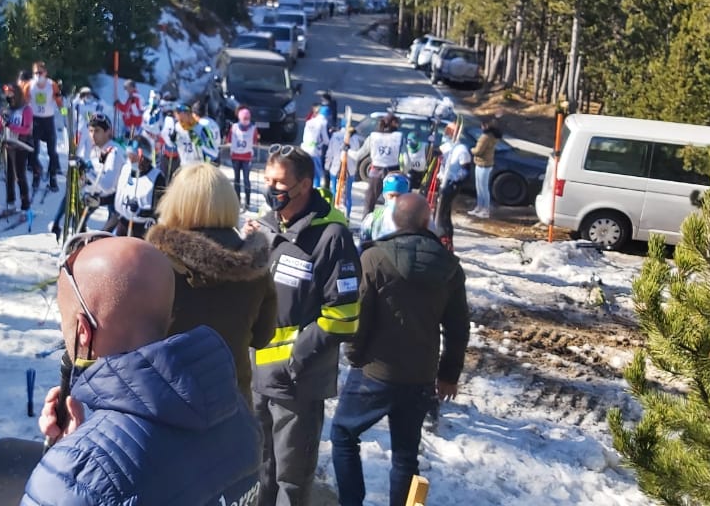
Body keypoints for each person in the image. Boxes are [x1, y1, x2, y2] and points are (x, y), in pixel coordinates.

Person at [21, 236, 261, 505]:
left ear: (83, 331)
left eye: (63, 320)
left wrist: (70, 465)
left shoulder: (78, 476)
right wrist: (78, 443)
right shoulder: (235, 412)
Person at [331, 193, 469, 506]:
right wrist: (449, 375)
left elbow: (358, 317)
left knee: (342, 434)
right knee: (406, 456)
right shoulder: (450, 267)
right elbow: (458, 328)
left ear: (393, 221)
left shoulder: (373, 258)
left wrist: (354, 356)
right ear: (427, 221)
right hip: (420, 376)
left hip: (374, 372)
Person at [244, 145, 361, 506]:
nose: (271, 189)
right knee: (257, 471)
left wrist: (294, 359)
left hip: (297, 384)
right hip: (256, 378)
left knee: (291, 481)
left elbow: (344, 314)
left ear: (305, 185)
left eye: (279, 183)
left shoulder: (332, 237)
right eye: (267, 180)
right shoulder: (265, 225)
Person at [145, 163, 278, 405]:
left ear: (175, 202)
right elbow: (262, 337)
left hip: (167, 403)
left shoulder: (154, 264)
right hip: (232, 404)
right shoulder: (256, 269)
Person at [113, 135, 168, 238]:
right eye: (129, 156)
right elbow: (117, 196)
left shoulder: (157, 177)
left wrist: (142, 212)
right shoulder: (125, 169)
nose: (131, 160)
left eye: (134, 157)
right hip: (123, 224)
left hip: (143, 229)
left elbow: (160, 209)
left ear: (144, 157)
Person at [351, 113, 405, 215]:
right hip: (393, 173)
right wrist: (404, 173)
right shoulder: (399, 137)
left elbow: (358, 155)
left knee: (369, 202)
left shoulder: (373, 137)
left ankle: (366, 221)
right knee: (393, 204)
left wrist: (347, 150)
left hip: (375, 172)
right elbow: (406, 161)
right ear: (395, 124)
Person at [22, 61, 63, 192]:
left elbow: (60, 103)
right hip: (35, 121)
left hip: (48, 121)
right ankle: (36, 174)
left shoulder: (52, 85)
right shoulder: (29, 85)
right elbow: (23, 102)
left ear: (45, 73)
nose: (38, 75)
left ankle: (53, 178)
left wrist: (65, 115)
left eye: (40, 72)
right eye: (35, 73)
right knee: (34, 151)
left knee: (52, 152)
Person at [79, 113, 123, 232]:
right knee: (79, 215)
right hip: (106, 198)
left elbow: (107, 186)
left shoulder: (113, 152)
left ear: (108, 132)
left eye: (97, 131)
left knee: (105, 236)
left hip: (119, 203)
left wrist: (87, 171)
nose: (93, 135)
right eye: (91, 131)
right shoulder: (97, 149)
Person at [434, 122, 472, 251]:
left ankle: (444, 240)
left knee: (441, 214)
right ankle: (443, 238)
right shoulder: (446, 146)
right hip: (442, 182)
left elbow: (466, 170)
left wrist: (455, 180)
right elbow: (436, 153)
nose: (445, 135)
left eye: (448, 132)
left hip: (451, 185)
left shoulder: (461, 149)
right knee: (441, 213)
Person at [0, 84, 33, 218]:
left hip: (20, 146)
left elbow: (27, 129)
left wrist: (11, 125)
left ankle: (25, 207)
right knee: (9, 177)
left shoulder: (26, 109)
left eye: (10, 93)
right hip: (8, 145)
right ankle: (10, 203)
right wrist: (1, 122)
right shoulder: (7, 109)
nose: (8, 96)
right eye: (7, 94)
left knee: (20, 176)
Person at [358, 173, 411, 251]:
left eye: (399, 196)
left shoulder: (413, 219)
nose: (395, 200)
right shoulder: (374, 218)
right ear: (385, 195)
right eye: (391, 196)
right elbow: (363, 244)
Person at [325, 118, 364, 219]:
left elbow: (330, 153)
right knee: (348, 194)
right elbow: (356, 153)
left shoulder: (335, 136)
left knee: (334, 192)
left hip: (335, 168)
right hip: (350, 170)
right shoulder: (354, 138)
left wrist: (327, 165)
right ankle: (347, 217)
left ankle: (333, 214)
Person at [228, 106, 259, 210]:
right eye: (244, 119)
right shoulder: (234, 127)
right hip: (237, 156)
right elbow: (229, 140)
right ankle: (238, 201)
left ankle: (247, 203)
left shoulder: (253, 128)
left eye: (247, 119)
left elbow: (255, 141)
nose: (245, 121)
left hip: (246, 157)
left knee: (245, 180)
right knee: (238, 180)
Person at [470, 118, 501, 218]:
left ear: (486, 126)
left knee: (482, 187)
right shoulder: (493, 136)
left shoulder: (485, 137)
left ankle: (485, 209)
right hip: (486, 164)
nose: (481, 126)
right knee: (481, 187)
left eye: (482, 125)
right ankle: (479, 207)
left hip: (482, 164)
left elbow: (478, 151)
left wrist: (471, 150)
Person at [299, 102, 330, 188]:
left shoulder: (309, 121)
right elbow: (326, 139)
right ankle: (316, 190)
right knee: (316, 174)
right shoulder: (323, 122)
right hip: (314, 150)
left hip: (304, 148)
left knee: (307, 172)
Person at [70, 86, 104, 162]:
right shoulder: (79, 105)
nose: (88, 96)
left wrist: (98, 98)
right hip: (80, 131)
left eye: (89, 94)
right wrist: (78, 96)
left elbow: (102, 107)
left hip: (90, 132)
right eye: (86, 94)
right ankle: (73, 163)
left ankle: (85, 164)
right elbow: (71, 106)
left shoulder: (94, 105)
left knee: (88, 150)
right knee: (76, 148)